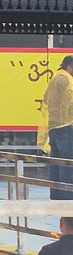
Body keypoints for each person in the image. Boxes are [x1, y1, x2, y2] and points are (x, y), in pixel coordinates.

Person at [39, 56, 73, 200]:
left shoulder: (53, 78)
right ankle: (67, 196)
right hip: (67, 125)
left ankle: (56, 194)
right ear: (70, 66)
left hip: (53, 127)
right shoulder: (67, 80)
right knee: (67, 163)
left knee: (55, 162)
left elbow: (45, 99)